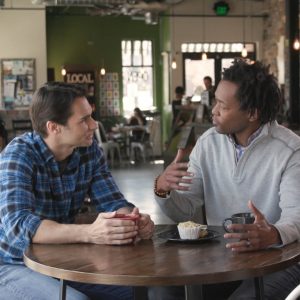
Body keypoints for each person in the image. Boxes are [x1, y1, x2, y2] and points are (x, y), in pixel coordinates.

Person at [150, 59, 300, 300]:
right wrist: (163, 190)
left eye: (222, 105)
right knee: (162, 292)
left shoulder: (290, 150)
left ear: (252, 113)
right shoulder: (207, 143)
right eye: (214, 101)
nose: (214, 110)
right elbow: (187, 210)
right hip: (223, 256)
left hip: (280, 257)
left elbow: (297, 218)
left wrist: (272, 233)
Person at [0, 82, 154, 300]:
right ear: (54, 127)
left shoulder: (88, 151)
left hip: (60, 261)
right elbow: (19, 227)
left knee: (138, 292)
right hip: (12, 264)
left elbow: (112, 200)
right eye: (84, 120)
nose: (94, 124)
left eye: (91, 115)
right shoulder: (18, 155)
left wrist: (132, 219)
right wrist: (90, 233)